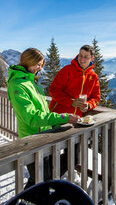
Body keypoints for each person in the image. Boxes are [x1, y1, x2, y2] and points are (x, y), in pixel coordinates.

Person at [7, 48, 80, 189]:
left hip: (45, 137)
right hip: (31, 140)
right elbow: (32, 117)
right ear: (28, 62)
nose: (40, 68)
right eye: (37, 64)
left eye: (41, 65)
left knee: (43, 178)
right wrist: (63, 117)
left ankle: (27, 199)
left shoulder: (32, 82)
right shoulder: (17, 85)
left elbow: (43, 110)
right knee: (40, 179)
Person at [49, 45, 100, 117]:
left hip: (76, 118)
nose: (82, 59)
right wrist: (71, 102)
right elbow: (53, 90)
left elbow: (96, 97)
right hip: (58, 116)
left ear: (92, 58)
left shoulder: (93, 76)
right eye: (80, 56)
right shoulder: (67, 70)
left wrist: (88, 105)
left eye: (86, 57)